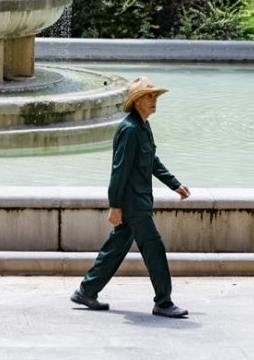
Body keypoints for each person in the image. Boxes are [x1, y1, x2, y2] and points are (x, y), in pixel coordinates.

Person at [71, 77, 191, 318]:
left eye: (155, 96)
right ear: (137, 102)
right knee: (154, 249)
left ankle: (86, 291)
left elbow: (152, 161)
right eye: (149, 96)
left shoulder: (143, 126)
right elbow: (119, 170)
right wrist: (115, 205)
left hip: (139, 201)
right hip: (133, 204)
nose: (154, 100)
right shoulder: (130, 130)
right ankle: (163, 302)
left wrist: (174, 184)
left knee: (116, 247)